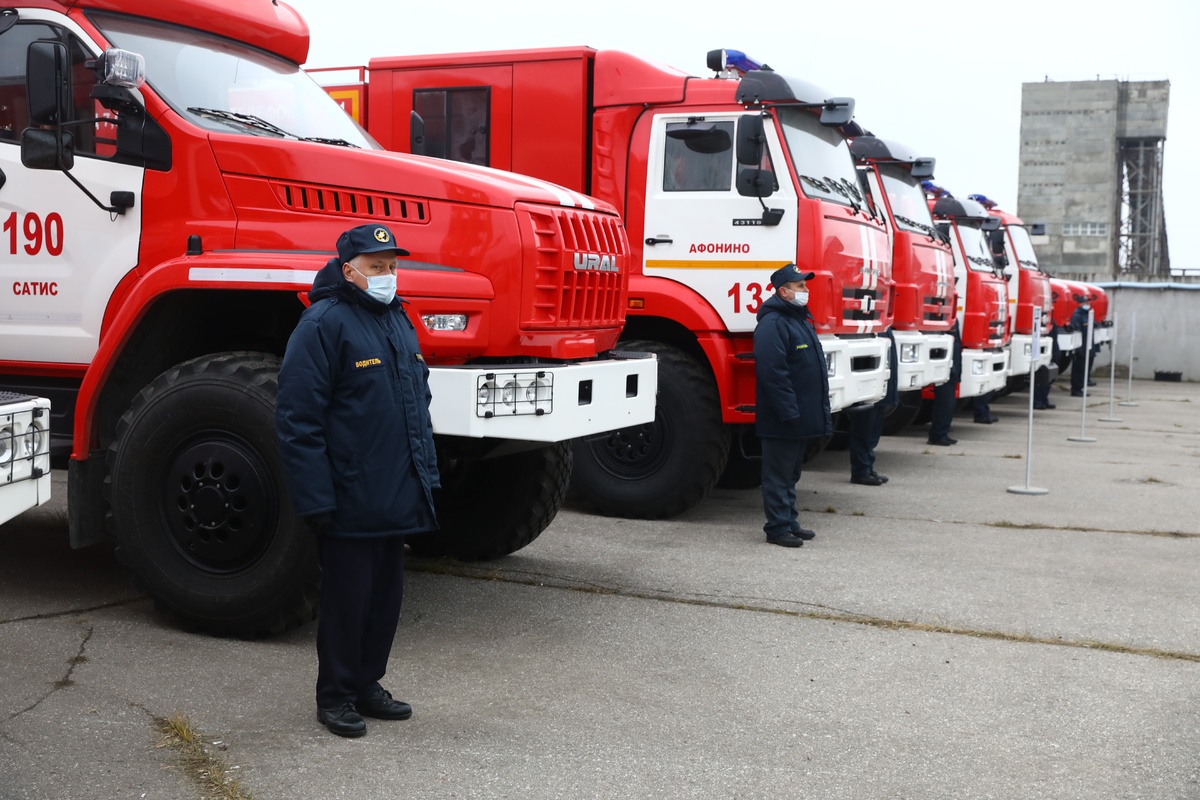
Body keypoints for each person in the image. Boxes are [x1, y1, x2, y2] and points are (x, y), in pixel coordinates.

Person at [276, 224, 440, 738]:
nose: (387, 275)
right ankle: (337, 696)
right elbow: (298, 420)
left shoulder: (397, 320)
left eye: (392, 265)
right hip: (348, 497)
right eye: (376, 266)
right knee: (347, 604)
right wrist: (316, 498)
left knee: (384, 601)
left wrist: (425, 480)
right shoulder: (323, 324)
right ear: (349, 271)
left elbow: (418, 403)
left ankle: (368, 684)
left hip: (393, 494)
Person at [753, 263, 832, 547]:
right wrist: (788, 412)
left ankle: (789, 521)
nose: (806, 291)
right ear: (784, 292)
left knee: (791, 473)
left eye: (806, 286)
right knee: (778, 474)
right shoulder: (772, 324)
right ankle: (776, 529)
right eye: (800, 286)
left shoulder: (798, 320)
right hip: (783, 418)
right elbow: (773, 373)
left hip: (798, 417)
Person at [846, 327, 897, 486]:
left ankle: (868, 467)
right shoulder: (870, 327)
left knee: (873, 428)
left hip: (880, 386)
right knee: (864, 427)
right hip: (870, 389)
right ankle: (861, 470)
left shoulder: (884, 327)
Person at [928, 320, 962, 446]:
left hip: (952, 365)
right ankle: (938, 434)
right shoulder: (948, 320)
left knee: (949, 401)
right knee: (945, 401)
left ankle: (942, 432)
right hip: (948, 367)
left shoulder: (951, 319)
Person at [1069, 294, 1094, 397]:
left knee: (1083, 369)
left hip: (1087, 347)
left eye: (1088, 302)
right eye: (1085, 302)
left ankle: (1080, 388)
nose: (1087, 304)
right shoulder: (1077, 315)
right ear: (1080, 304)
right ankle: (1076, 389)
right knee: (1078, 369)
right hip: (1081, 348)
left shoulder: (1087, 314)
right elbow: (1077, 331)